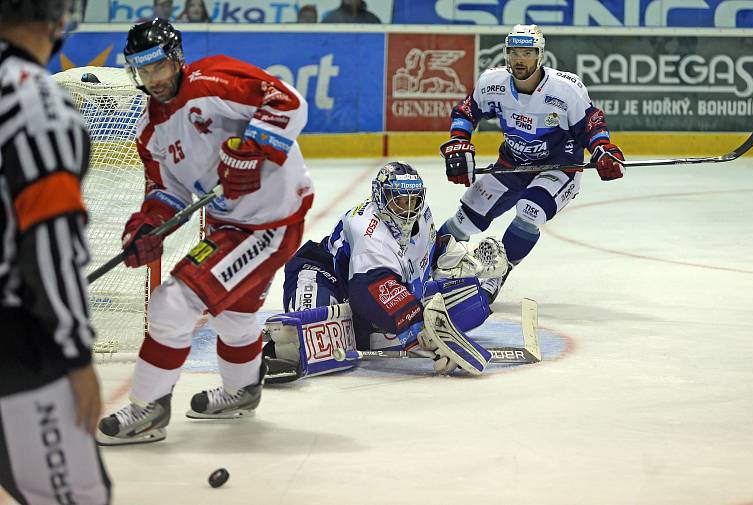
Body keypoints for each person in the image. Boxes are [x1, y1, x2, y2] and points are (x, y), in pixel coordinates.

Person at [96, 18, 314, 445]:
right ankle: (242, 390)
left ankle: (149, 409)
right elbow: (166, 191)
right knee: (234, 316)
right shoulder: (149, 131)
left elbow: (288, 102)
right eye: (142, 71)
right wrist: (149, 225)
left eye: (158, 67)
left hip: (271, 219)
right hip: (228, 223)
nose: (153, 80)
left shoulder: (215, 79)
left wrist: (251, 151)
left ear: (176, 59)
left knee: (171, 303)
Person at [0, 0, 112, 503]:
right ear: (55, 19)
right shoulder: (36, 102)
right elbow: (49, 238)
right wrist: (77, 356)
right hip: (18, 342)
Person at [265, 162, 508, 381]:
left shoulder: (422, 216)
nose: (409, 209)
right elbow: (372, 287)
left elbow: (429, 251)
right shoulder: (368, 230)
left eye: (414, 200)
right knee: (301, 337)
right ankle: (284, 346)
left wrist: (468, 258)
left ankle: (369, 328)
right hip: (325, 275)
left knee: (471, 299)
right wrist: (420, 331)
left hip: (374, 293)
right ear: (381, 197)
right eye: (401, 201)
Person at [439, 24, 625, 303]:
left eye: (527, 52)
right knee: (464, 220)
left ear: (540, 55)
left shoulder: (565, 89)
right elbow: (467, 111)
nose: (519, 59)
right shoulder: (493, 82)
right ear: (506, 54)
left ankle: (495, 275)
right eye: (514, 52)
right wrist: (458, 140)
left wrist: (602, 148)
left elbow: (591, 123)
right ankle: (426, 268)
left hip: (558, 168)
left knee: (529, 211)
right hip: (512, 164)